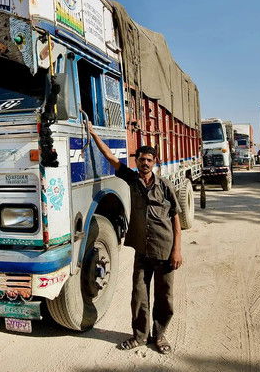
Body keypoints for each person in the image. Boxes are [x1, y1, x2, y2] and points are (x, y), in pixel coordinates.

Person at [85, 121, 183, 355]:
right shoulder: (131, 179)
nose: (145, 163)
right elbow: (110, 157)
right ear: (136, 161)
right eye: (141, 159)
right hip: (142, 250)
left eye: (149, 159)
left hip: (164, 250)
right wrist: (92, 132)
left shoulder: (166, 186)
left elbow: (176, 222)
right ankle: (139, 336)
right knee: (139, 295)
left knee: (164, 297)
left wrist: (177, 251)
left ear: (155, 162)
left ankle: (159, 336)